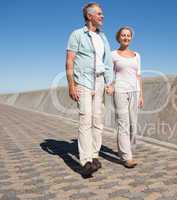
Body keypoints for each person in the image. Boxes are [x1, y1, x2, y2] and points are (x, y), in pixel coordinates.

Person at [65, 2, 114, 176]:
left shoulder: (103, 37)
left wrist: (110, 82)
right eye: (99, 14)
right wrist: (71, 84)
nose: (102, 16)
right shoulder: (77, 35)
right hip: (84, 82)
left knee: (98, 120)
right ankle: (85, 161)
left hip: (100, 81)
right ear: (89, 16)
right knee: (85, 120)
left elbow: (107, 61)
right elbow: (70, 61)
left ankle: (94, 156)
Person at [112, 26, 143, 168]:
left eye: (128, 35)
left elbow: (138, 75)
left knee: (133, 125)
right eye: (123, 35)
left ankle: (126, 150)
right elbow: (109, 73)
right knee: (123, 123)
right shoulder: (113, 54)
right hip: (120, 91)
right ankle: (127, 157)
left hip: (135, 91)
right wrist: (110, 85)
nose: (126, 37)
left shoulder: (137, 55)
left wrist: (141, 94)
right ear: (119, 37)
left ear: (131, 38)